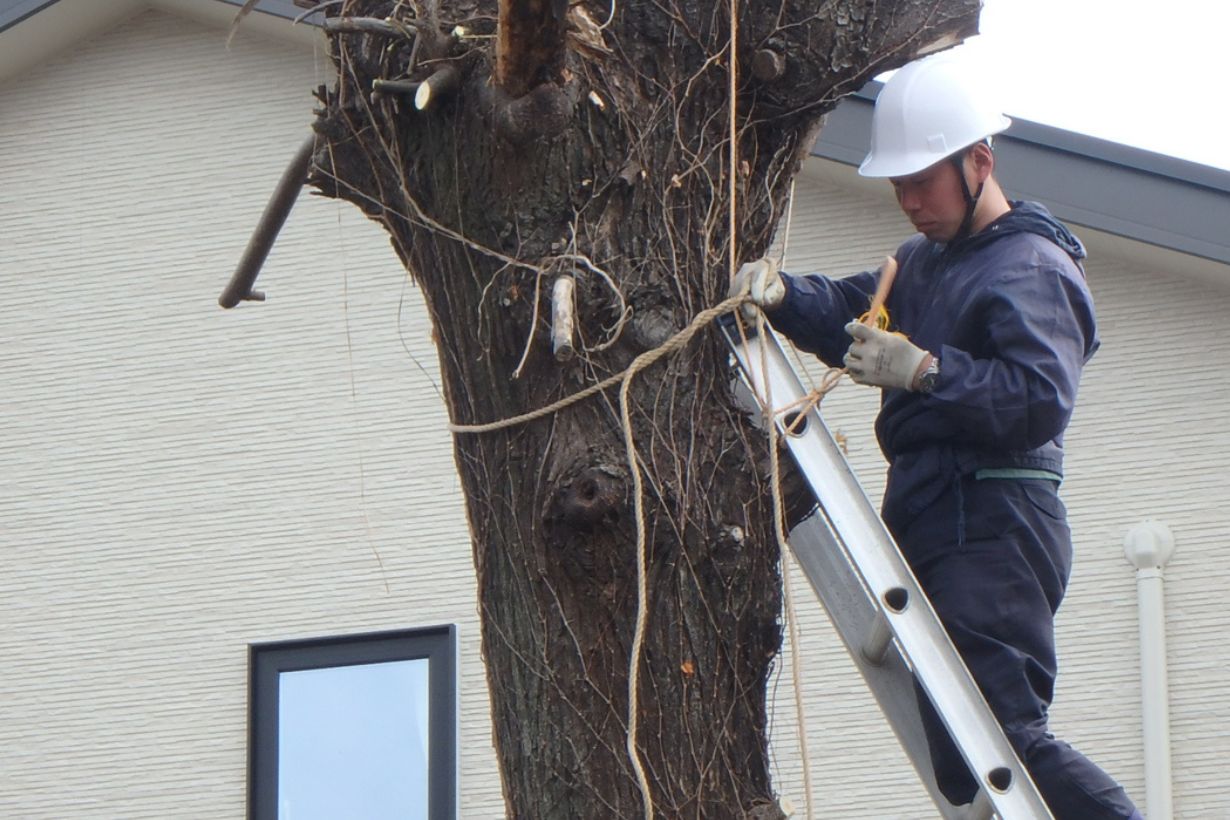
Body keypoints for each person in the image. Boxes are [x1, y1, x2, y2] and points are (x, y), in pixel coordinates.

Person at [730, 54, 1142, 819]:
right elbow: (851, 312)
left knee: (1007, 740)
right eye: (900, 185)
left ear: (979, 161)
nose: (910, 201)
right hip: (929, 515)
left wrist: (925, 371)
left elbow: (1038, 399)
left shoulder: (1032, 267)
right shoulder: (923, 265)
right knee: (964, 769)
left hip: (995, 526)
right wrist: (783, 295)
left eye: (924, 180)